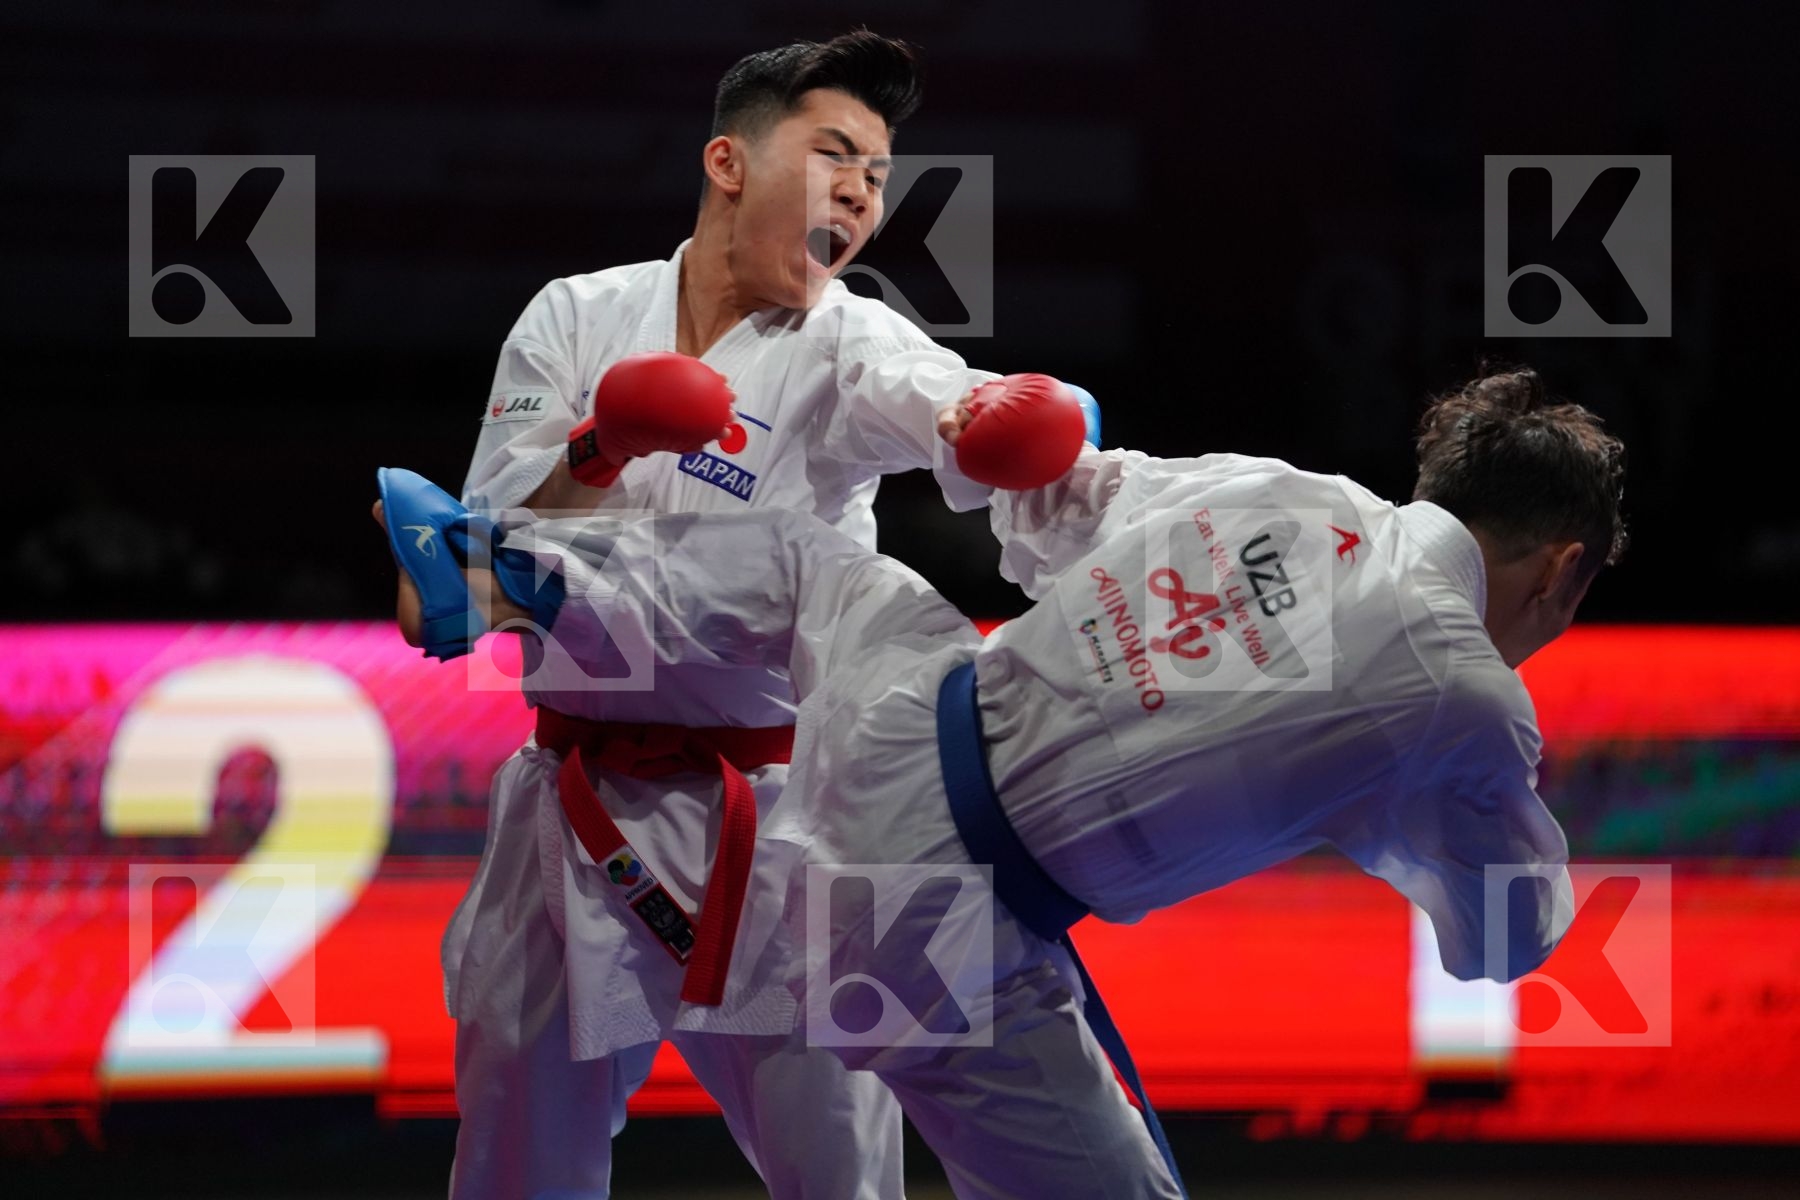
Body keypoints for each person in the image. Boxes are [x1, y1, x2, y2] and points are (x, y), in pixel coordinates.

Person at [380, 366, 1622, 1197]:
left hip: (895, 709)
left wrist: (1022, 428)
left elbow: (1056, 504)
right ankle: (536, 572)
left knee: (809, 563)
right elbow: (1502, 942)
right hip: (931, 932)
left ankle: (526, 567)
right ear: (1562, 572)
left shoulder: (1293, 495)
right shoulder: (1465, 700)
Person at [430, 29, 1094, 1200]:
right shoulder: (578, 315)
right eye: (835, 152)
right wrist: (606, 438)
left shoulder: (851, 343)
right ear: (729, 163)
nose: (859, 191)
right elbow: (488, 526)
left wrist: (1004, 420)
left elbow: (951, 405)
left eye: (879, 176)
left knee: (838, 1175)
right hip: (571, 811)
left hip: (788, 829)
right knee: (515, 1166)